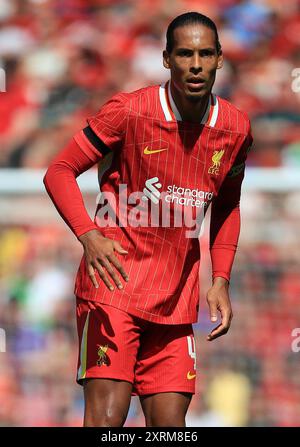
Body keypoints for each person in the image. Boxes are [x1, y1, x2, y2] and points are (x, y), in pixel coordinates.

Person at [43, 12, 253, 427]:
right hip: (114, 288)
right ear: (166, 59)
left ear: (220, 59)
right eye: (184, 54)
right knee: (107, 422)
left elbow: (228, 205)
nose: (195, 64)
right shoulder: (129, 111)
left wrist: (222, 279)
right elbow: (59, 171)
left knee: (171, 430)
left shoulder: (235, 128)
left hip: (176, 300)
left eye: (205, 54)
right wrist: (88, 234)